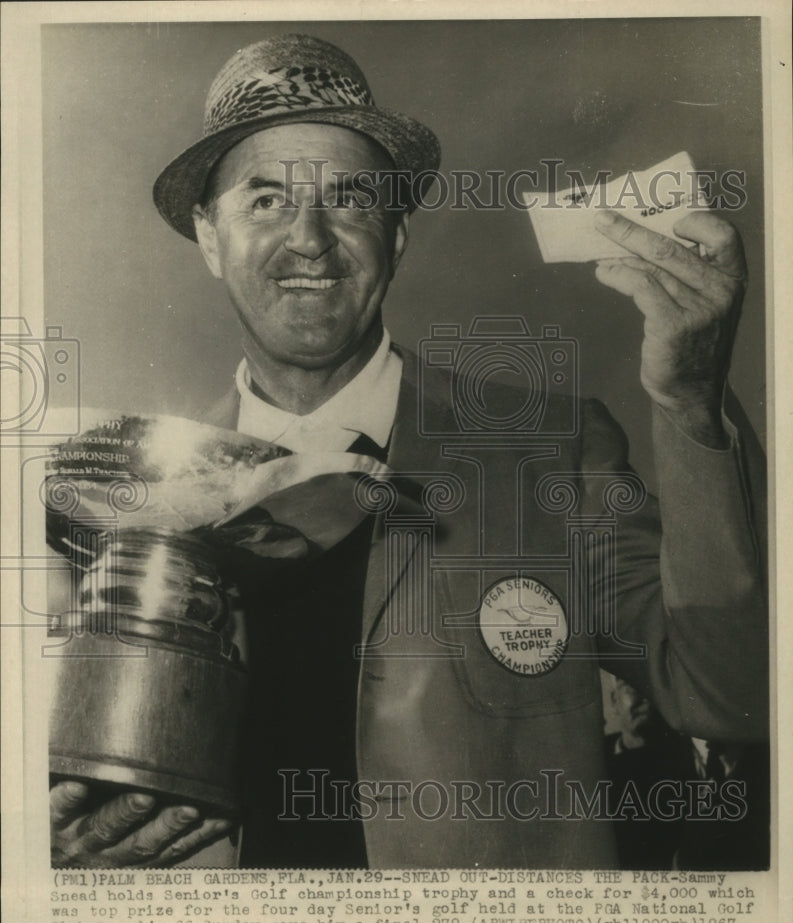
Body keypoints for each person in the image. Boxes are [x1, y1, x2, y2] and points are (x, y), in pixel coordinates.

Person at [49, 34, 768, 869]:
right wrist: (55, 859)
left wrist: (689, 401)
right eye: (265, 201)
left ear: (395, 239)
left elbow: (728, 698)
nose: (309, 240)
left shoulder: (550, 448)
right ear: (210, 239)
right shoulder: (118, 496)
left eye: (349, 198)